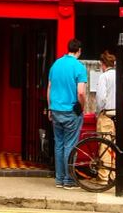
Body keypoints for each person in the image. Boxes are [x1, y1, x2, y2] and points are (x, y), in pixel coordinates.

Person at [47, 38, 87, 190]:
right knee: (70, 145)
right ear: (79, 50)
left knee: (59, 144)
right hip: (70, 111)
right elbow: (81, 92)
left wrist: (50, 107)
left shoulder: (55, 64)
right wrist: (81, 107)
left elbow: (49, 88)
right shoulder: (79, 67)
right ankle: (68, 180)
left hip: (56, 109)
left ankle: (59, 179)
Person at [95, 50, 116, 185]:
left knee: (104, 146)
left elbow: (101, 98)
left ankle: (103, 177)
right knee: (115, 146)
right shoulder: (120, 75)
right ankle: (114, 175)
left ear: (103, 64)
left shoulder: (104, 76)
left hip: (107, 114)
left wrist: (98, 112)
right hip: (118, 114)